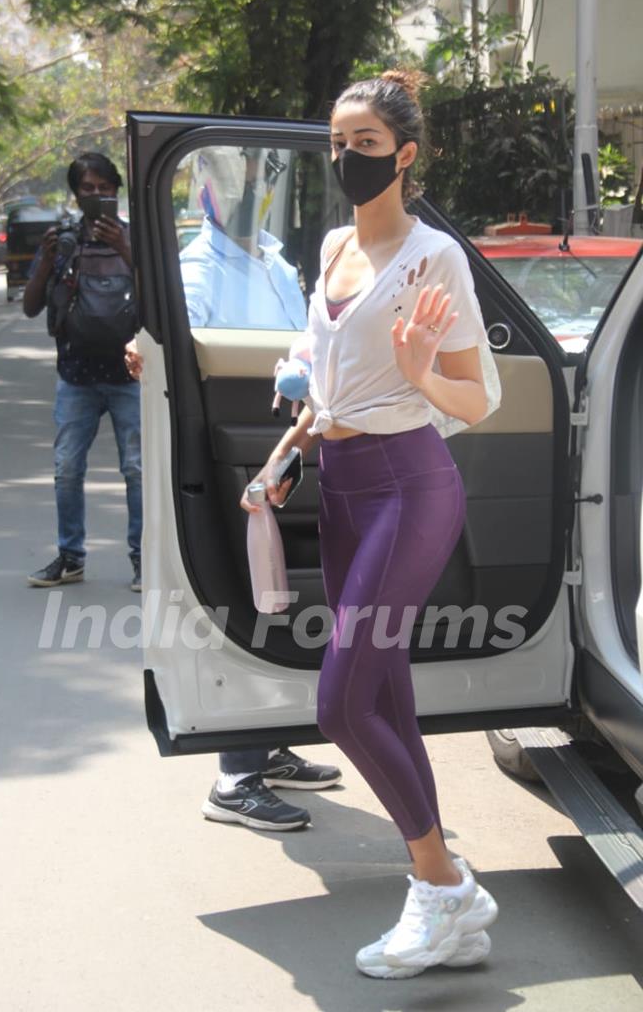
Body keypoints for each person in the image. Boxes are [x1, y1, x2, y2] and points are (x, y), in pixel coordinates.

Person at [240, 71, 500, 978]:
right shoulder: (334, 246)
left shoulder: (436, 259)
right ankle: (446, 909)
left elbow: (476, 397)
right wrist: (284, 452)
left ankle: (446, 888)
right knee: (383, 694)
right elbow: (326, 372)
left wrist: (422, 367)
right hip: (341, 481)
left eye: (366, 144)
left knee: (340, 700)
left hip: (408, 484)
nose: (348, 158)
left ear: (407, 156)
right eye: (338, 143)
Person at [126, 146, 342, 833]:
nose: (250, 191)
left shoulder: (276, 261)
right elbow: (172, 360)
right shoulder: (194, 269)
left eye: (260, 178)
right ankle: (235, 777)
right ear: (207, 192)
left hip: (284, 445)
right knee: (250, 598)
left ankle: (267, 743)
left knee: (283, 596)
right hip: (234, 456)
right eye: (234, 179)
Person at [24, 152, 142, 592]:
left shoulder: (136, 238)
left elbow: (166, 303)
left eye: (103, 188)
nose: (95, 196)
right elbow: (32, 306)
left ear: (116, 191)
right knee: (67, 469)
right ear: (76, 195)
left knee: (137, 470)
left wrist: (126, 250)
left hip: (130, 374)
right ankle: (70, 557)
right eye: (87, 189)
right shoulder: (64, 240)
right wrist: (47, 257)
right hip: (76, 376)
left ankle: (143, 559)